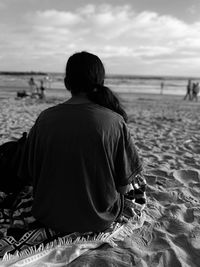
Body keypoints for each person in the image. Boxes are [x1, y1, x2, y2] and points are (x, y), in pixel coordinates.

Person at [20, 51, 143, 234]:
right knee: (137, 178)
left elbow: (29, 174)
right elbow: (123, 187)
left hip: (48, 216)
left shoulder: (45, 118)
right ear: (100, 81)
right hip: (98, 220)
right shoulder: (115, 122)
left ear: (67, 82)